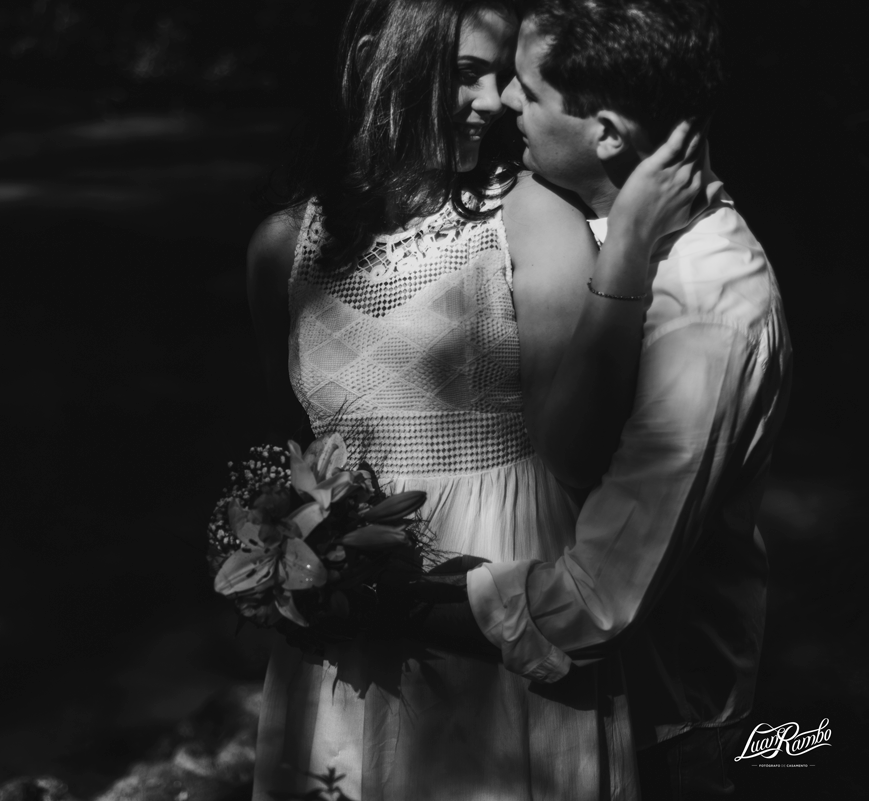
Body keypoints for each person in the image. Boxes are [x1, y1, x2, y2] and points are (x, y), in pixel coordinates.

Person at [245, 1, 705, 798]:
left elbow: (583, 453)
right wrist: (274, 553)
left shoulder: (529, 220)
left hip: (501, 590)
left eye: (500, 77)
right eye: (465, 74)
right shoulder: (283, 249)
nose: (494, 102)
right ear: (379, 61)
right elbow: (286, 451)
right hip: (344, 620)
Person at [406, 2, 792, 799]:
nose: (504, 102)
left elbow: (596, 600)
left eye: (527, 87)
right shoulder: (582, 224)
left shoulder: (708, 314)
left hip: (665, 730)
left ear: (608, 134)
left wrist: (391, 601)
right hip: (550, 706)